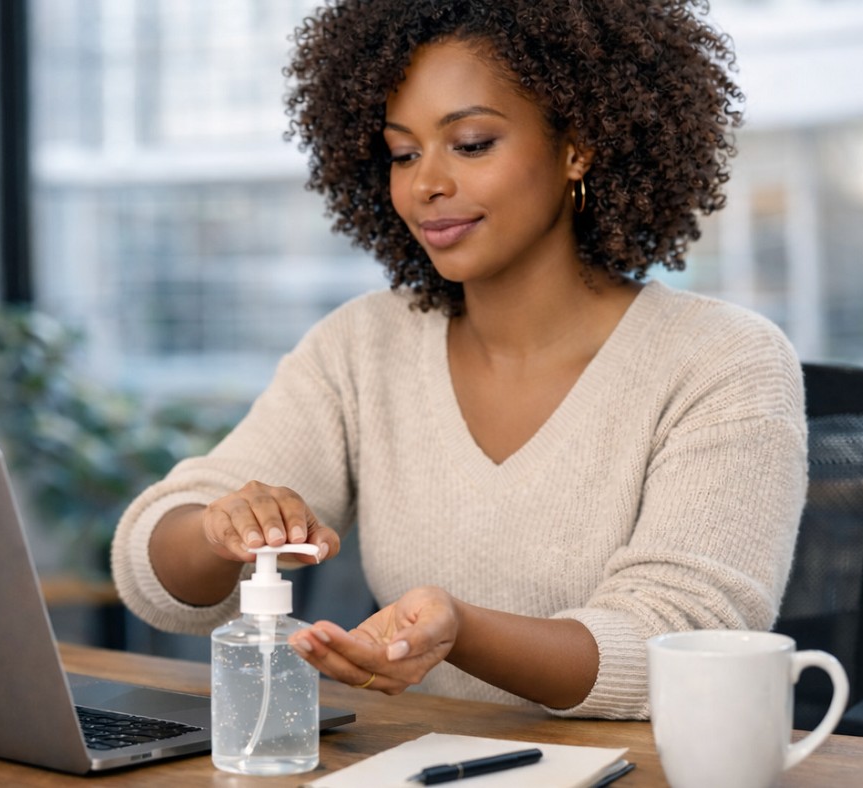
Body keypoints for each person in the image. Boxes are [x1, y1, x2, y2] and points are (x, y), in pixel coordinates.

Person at [110, 0, 807, 719]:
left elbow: (684, 641)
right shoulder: (363, 347)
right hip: (420, 765)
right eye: (403, 153)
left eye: (470, 143)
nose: (425, 185)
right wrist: (217, 529)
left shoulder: (721, 359)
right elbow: (156, 570)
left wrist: (462, 630)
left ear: (579, 145)